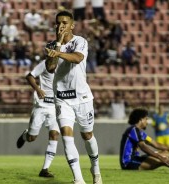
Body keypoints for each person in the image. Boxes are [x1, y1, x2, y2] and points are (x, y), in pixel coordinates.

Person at [45, 10, 102, 184]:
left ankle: (96, 168)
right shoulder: (52, 44)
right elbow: (50, 67)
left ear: (72, 25)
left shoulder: (80, 41)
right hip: (62, 98)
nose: (61, 26)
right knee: (66, 136)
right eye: (58, 23)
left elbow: (77, 58)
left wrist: (60, 53)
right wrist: (58, 44)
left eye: (64, 23)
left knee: (87, 135)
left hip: (82, 97)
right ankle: (78, 179)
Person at [16, 59, 60, 178]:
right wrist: (38, 89)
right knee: (32, 138)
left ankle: (45, 169)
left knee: (54, 135)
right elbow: (30, 76)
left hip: (55, 107)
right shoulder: (45, 63)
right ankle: (25, 135)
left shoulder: (64, 65)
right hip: (41, 105)